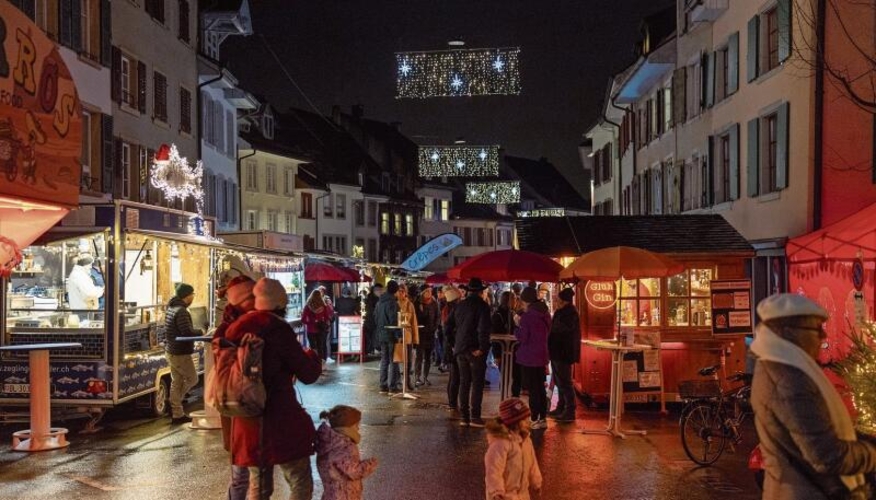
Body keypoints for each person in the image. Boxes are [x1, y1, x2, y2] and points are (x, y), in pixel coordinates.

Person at [751, 293, 876, 499]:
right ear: (793, 333)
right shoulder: (789, 379)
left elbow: (816, 430)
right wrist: (872, 451)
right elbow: (827, 456)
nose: (824, 337)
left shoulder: (778, 367)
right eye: (817, 329)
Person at [226, 278, 322, 500]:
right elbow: (308, 373)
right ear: (281, 304)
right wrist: (311, 356)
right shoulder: (278, 330)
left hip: (247, 422)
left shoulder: (234, 329)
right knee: (300, 481)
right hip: (280, 421)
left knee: (259, 488)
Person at [212, 275, 256, 500]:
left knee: (241, 472)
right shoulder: (255, 326)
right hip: (250, 405)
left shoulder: (223, 328)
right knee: (254, 474)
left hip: (231, 404)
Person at [447, 277, 492, 428]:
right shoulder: (483, 306)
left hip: (460, 349)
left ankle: (464, 417)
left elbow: (447, 326)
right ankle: (475, 416)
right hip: (474, 350)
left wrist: (454, 344)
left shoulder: (460, 305)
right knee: (477, 384)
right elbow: (483, 329)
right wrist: (482, 348)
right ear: (480, 291)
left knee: (464, 383)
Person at [315, 405, 378, 500]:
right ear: (348, 427)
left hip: (331, 494)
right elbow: (353, 472)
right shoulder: (344, 447)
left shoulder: (328, 443)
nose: (358, 429)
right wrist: (370, 464)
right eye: (357, 425)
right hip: (345, 496)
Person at [485, 397, 543, 500]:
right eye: (524, 420)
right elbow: (493, 470)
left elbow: (532, 462)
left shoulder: (526, 440)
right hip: (505, 496)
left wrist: (536, 481)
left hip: (523, 494)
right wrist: (496, 491)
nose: (528, 422)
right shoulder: (500, 443)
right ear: (515, 422)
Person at [163, 282, 202, 424]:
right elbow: (187, 332)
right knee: (193, 379)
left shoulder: (171, 308)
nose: (193, 297)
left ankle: (177, 414)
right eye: (192, 294)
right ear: (187, 296)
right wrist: (201, 332)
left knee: (177, 381)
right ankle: (175, 402)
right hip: (180, 352)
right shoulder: (181, 311)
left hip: (171, 350)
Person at [515, 286, 551, 430]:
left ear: (526, 301)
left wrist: (517, 327)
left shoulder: (528, 316)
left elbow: (523, 338)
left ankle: (535, 417)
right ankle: (542, 418)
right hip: (542, 355)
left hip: (529, 357)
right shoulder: (545, 313)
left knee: (533, 389)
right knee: (540, 388)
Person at [547, 287, 580, 423]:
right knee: (559, 381)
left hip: (563, 352)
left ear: (563, 300)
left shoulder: (569, 313)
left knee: (565, 382)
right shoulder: (565, 312)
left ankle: (570, 410)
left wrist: (550, 326)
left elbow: (561, 329)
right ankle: (561, 407)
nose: (556, 300)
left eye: (558, 299)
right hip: (558, 351)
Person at [492, 291, 522, 398]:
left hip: (514, 351)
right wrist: (496, 355)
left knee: (516, 375)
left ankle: (514, 398)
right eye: (513, 299)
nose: (515, 301)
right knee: (506, 375)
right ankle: (506, 399)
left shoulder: (513, 314)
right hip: (504, 351)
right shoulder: (498, 315)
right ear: (508, 300)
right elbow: (495, 336)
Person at [375, 280, 401, 393]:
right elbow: (394, 320)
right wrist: (398, 334)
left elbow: (375, 317)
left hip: (381, 334)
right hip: (390, 334)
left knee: (384, 359)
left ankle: (383, 384)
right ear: (395, 290)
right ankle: (392, 386)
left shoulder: (379, 302)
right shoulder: (392, 303)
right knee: (393, 360)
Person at [395, 284, 420, 390]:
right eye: (399, 291)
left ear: (406, 292)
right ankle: (398, 381)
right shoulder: (394, 304)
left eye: (402, 291)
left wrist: (415, 338)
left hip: (408, 336)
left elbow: (414, 322)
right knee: (397, 359)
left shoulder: (410, 304)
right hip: (397, 336)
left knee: (408, 360)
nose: (400, 293)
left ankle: (407, 380)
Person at [414, 287, 440, 387]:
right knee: (419, 356)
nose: (430, 293)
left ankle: (426, 377)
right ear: (423, 293)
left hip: (430, 333)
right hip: (420, 333)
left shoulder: (434, 303)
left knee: (428, 357)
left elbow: (437, 316)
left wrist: (435, 327)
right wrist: (421, 311)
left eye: (430, 291)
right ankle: (417, 377)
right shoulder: (418, 303)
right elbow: (416, 318)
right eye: (427, 291)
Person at [442, 285, 462, 411]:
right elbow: (448, 330)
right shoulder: (452, 311)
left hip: (451, 345)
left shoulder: (448, 309)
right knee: (455, 376)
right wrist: (454, 344)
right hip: (452, 346)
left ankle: (452, 402)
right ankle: (452, 402)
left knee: (454, 376)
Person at [302, 289, 332, 364]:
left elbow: (303, 319)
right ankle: (321, 364)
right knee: (320, 347)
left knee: (313, 348)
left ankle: (314, 363)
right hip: (320, 330)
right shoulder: (323, 306)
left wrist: (310, 322)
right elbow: (327, 318)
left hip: (310, 330)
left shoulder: (307, 307)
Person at [363, 284, 384, 356]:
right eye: (380, 290)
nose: (381, 292)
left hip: (369, 320)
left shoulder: (370, 297)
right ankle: (373, 349)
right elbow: (374, 311)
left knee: (371, 336)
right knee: (373, 336)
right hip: (372, 321)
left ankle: (370, 350)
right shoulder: (375, 299)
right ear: (376, 291)